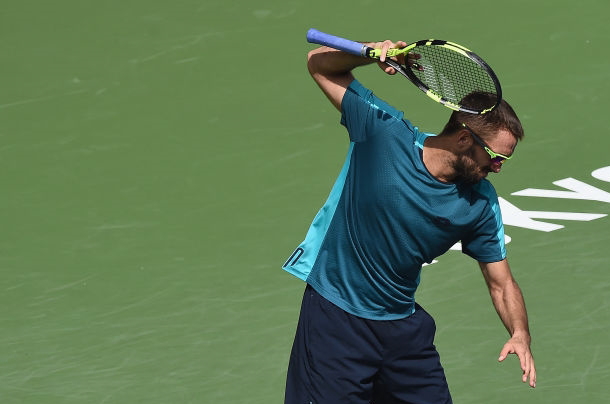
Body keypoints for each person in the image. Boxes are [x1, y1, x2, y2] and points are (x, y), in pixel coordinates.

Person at [282, 38, 536, 404]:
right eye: (496, 157)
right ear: (465, 138)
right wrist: (368, 53)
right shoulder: (383, 133)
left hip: (401, 330)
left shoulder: (480, 203)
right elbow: (318, 63)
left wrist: (519, 333)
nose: (497, 167)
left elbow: (501, 282)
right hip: (336, 319)